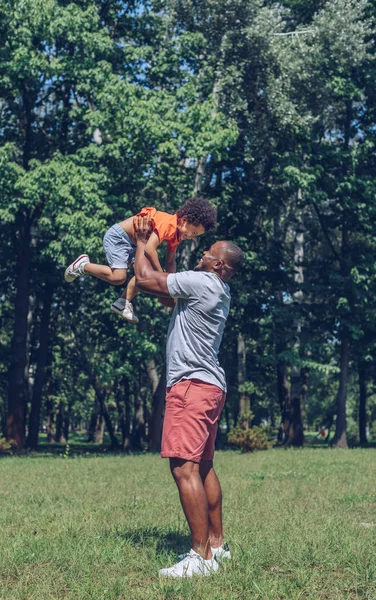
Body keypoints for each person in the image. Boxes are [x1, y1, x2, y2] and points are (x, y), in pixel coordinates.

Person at [133, 214, 243, 578]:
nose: (203, 254)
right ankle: (216, 546)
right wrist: (170, 253)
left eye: (208, 253)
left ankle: (200, 559)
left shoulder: (204, 282)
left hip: (191, 386)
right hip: (210, 386)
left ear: (220, 266)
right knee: (204, 465)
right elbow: (168, 296)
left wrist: (141, 240)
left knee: (184, 467)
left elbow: (147, 282)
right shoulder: (213, 289)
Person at [64, 197, 217, 323]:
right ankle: (84, 265)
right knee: (118, 277)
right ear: (184, 221)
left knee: (144, 275)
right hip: (119, 237)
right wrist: (160, 274)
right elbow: (150, 249)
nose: (191, 237)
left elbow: (170, 262)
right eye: (194, 232)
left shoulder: (176, 235)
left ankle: (122, 303)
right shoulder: (168, 224)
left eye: (196, 236)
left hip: (134, 243)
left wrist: (171, 284)